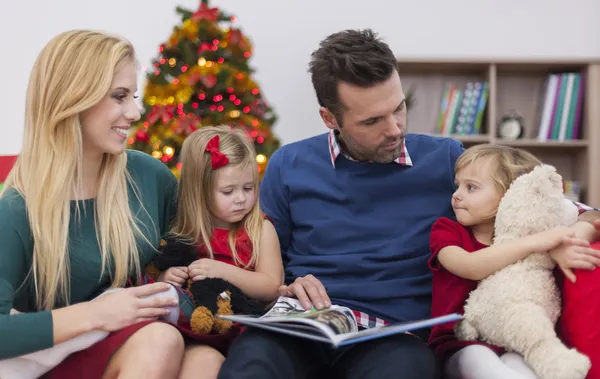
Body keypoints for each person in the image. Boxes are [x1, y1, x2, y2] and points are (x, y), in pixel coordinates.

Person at [217, 28, 600, 379]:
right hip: (305, 323)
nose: (396, 129)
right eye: (373, 121)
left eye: (399, 108)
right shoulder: (289, 164)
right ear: (329, 118)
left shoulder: (449, 160)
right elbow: (260, 265)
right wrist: (287, 286)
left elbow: (567, 208)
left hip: (394, 335)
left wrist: (575, 234)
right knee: (251, 361)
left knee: (409, 369)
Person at [0, 30, 224, 379]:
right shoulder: (18, 207)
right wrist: (98, 313)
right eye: (119, 97)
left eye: (133, 96)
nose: (135, 113)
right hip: (52, 359)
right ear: (73, 98)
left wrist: (274, 282)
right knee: (160, 342)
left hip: (134, 340)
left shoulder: (149, 177)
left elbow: (209, 250)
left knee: (206, 362)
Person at [428, 144, 600, 379]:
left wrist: (567, 240)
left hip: (514, 340)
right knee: (479, 360)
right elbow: (470, 266)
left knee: (522, 367)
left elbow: (592, 215)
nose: (457, 195)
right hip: (458, 342)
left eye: (471, 187)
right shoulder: (447, 230)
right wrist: (538, 243)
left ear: (510, 193)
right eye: (457, 185)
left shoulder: (530, 228)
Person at [155, 125, 283, 305]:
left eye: (248, 188)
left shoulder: (260, 229)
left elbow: (271, 287)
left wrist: (223, 271)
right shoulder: (186, 231)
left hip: (245, 320)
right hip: (197, 317)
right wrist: (166, 278)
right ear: (200, 192)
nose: (240, 198)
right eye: (228, 191)